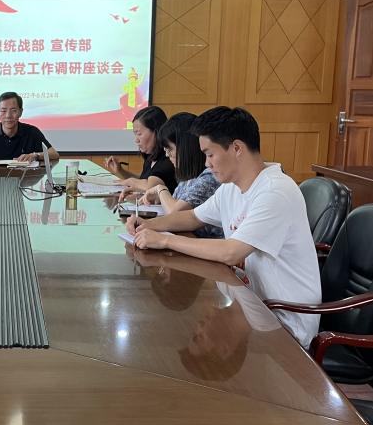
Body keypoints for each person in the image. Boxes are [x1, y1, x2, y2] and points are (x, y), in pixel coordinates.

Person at [125, 106, 321, 348]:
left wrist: (164, 240)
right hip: (250, 303)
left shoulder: (275, 191)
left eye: (210, 154)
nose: (207, 164)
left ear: (237, 148)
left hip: (285, 322)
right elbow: (192, 217)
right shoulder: (231, 187)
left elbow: (231, 252)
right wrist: (148, 225)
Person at [138, 112, 223, 238]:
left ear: (185, 148)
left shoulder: (210, 178)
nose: (167, 154)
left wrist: (160, 189)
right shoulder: (186, 179)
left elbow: (174, 214)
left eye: (170, 149)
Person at [105, 106, 176, 192]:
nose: (136, 140)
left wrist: (130, 181)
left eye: (139, 134)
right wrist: (121, 171)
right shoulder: (151, 156)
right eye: (135, 135)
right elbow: (142, 181)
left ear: (156, 132)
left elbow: (150, 186)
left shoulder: (169, 158)